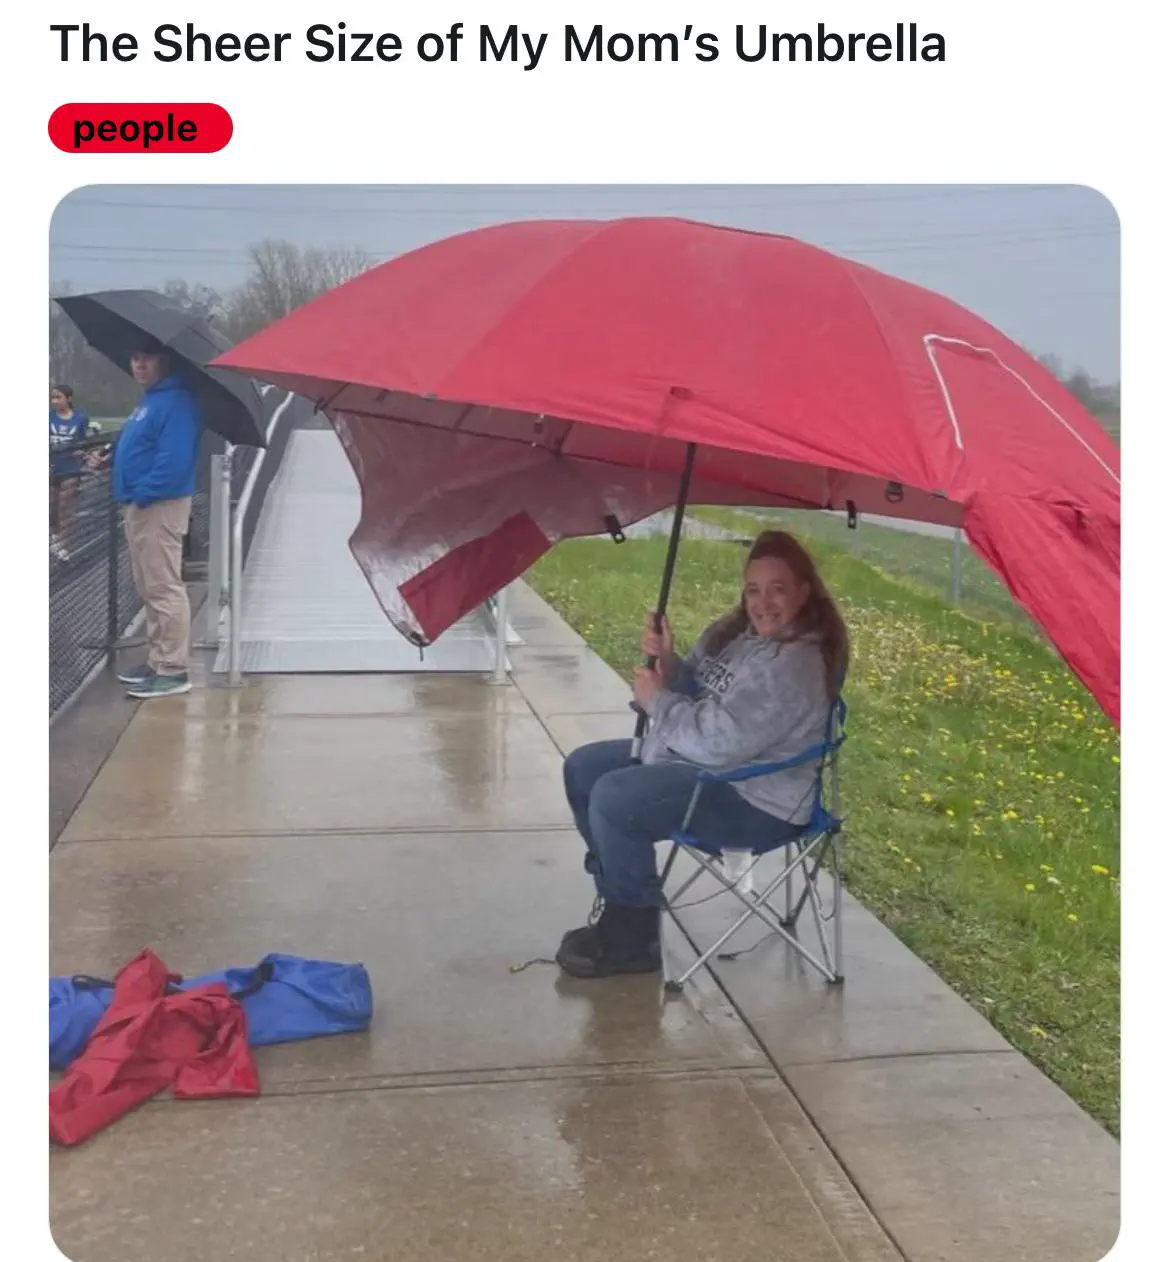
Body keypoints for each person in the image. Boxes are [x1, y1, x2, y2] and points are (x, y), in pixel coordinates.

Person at [556, 529, 849, 979]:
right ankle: (621, 897)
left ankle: (633, 938)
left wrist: (658, 702)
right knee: (583, 769)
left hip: (753, 797)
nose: (763, 602)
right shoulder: (735, 634)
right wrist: (669, 663)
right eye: (754, 589)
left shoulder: (796, 665)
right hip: (703, 766)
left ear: (804, 593)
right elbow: (699, 692)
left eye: (778, 589)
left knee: (616, 797)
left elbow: (720, 743)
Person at [112, 337, 204, 699]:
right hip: (142, 504)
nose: (139, 365)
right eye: (135, 357)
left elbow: (174, 460)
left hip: (158, 505)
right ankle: (157, 658)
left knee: (164, 584)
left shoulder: (176, 402)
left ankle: (173, 669)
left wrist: (144, 493)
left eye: (147, 358)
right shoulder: (152, 400)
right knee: (148, 584)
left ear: (165, 361)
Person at [49, 385, 90, 560]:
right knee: (51, 506)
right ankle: (55, 535)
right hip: (51, 467)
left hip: (71, 468)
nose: (54, 401)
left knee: (65, 507)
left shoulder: (80, 418)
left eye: (58, 397)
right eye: (52, 398)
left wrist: (82, 454)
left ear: (69, 399)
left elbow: (83, 442)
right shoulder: (47, 417)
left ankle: (64, 546)